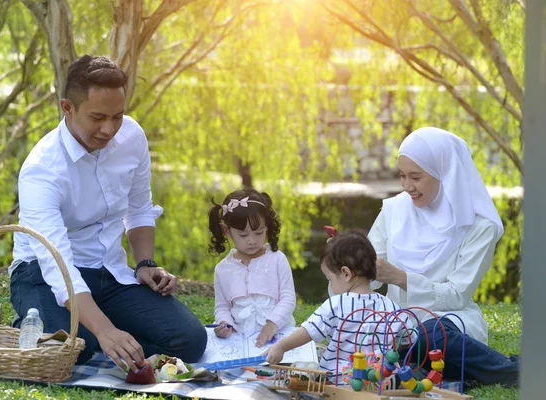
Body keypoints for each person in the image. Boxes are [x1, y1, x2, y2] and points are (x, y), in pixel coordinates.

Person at [9, 55, 207, 371]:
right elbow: (58, 265)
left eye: (117, 116)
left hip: (107, 273)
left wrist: (145, 263)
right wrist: (105, 330)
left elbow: (140, 207)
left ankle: (97, 331)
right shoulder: (41, 171)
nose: (109, 129)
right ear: (67, 108)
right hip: (43, 274)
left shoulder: (132, 136)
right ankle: (40, 323)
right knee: (73, 348)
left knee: (191, 341)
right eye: (98, 117)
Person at [367, 127, 519, 387]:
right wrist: (344, 262)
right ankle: (434, 369)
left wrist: (403, 279)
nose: (407, 186)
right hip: (396, 325)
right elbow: (366, 280)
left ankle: (512, 372)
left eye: (415, 177)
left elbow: (457, 295)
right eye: (402, 176)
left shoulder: (479, 226)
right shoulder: (393, 210)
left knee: (432, 337)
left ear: (444, 173)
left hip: (448, 323)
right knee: (372, 334)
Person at [265, 230, 413, 384]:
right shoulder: (390, 306)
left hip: (341, 382)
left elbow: (308, 331)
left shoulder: (336, 304)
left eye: (330, 279)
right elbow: (409, 338)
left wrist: (281, 347)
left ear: (346, 274)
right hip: (382, 382)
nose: (331, 285)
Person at [208, 188, 296, 347]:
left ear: (267, 228)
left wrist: (272, 324)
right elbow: (222, 307)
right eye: (243, 235)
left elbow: (288, 298)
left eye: (259, 233)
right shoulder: (223, 269)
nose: (252, 241)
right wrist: (225, 323)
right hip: (241, 338)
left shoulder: (277, 259)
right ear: (226, 230)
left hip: (278, 334)